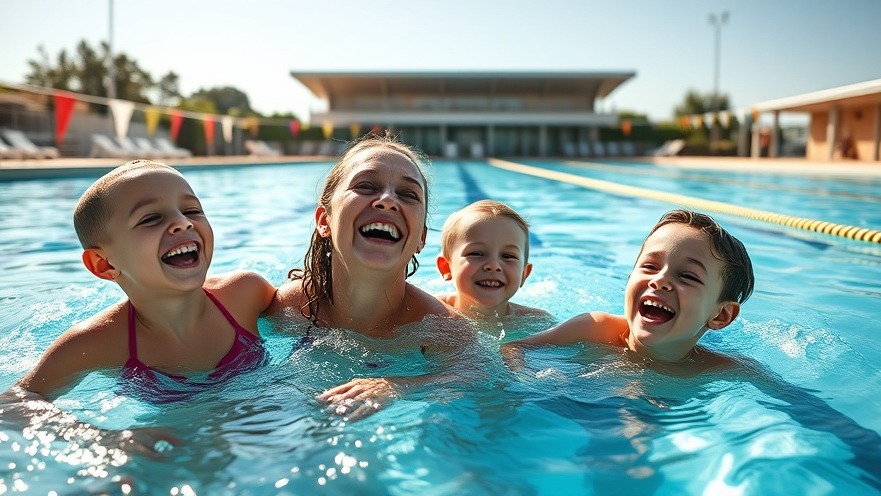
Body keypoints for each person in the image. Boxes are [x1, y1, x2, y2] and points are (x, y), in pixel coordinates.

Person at [11, 160, 277, 403]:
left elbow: (311, 317)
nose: (183, 223)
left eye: (192, 210)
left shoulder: (245, 294)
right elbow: (15, 404)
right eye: (151, 218)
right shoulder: (97, 344)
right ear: (104, 264)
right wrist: (108, 437)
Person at [268, 133, 461, 419]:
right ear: (324, 221)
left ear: (420, 238)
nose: (387, 201)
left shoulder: (441, 329)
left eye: (408, 194)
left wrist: (399, 385)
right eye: (366, 186)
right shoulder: (284, 307)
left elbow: (478, 378)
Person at [502, 209, 754, 368]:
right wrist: (525, 379)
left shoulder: (717, 368)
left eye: (687, 276)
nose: (660, 280)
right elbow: (513, 348)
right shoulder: (593, 328)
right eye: (650, 266)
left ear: (720, 315)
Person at [435, 199, 550, 320]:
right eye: (476, 253)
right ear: (446, 267)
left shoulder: (537, 321)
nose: (494, 265)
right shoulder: (428, 311)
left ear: (524, 274)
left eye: (508, 256)